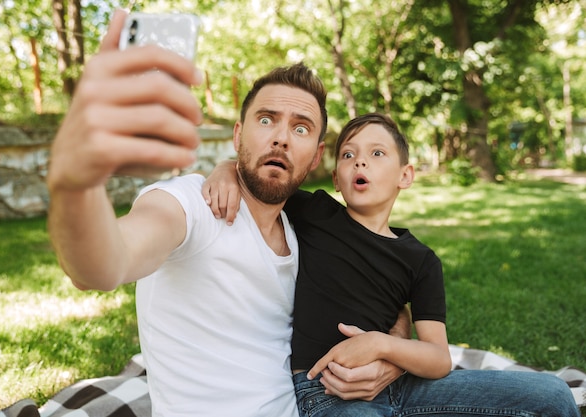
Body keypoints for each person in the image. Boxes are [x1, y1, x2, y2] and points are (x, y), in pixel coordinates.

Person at [46, 10, 404, 416]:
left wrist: (392, 354)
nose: (282, 138)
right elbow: (100, 266)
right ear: (238, 135)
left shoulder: (308, 225)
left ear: (316, 156)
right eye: (266, 120)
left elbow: (389, 283)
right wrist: (75, 184)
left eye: (301, 128)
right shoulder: (190, 205)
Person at [203, 113, 581, 416]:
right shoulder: (316, 212)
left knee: (550, 393)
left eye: (377, 153)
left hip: (403, 386)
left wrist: (380, 344)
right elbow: (256, 177)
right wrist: (224, 169)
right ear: (337, 178)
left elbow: (437, 358)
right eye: (348, 155)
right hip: (327, 392)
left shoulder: (421, 260)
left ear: (406, 175)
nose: (360, 160)